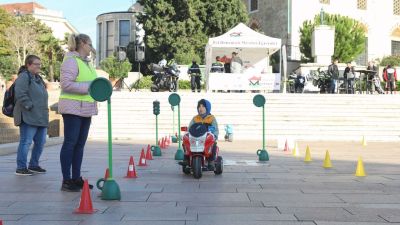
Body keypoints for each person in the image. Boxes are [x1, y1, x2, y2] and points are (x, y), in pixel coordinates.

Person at [58, 33, 97, 192]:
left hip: (86, 108)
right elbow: (66, 84)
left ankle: (76, 178)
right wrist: (89, 86)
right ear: (81, 44)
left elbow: (93, 86)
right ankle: (66, 180)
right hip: (72, 108)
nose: (91, 48)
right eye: (89, 45)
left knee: (79, 145)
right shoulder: (71, 61)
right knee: (70, 143)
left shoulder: (87, 63)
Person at [14, 55, 48, 176]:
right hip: (29, 116)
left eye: (40, 64)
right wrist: (29, 105)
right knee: (26, 142)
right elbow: (20, 92)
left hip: (41, 117)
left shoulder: (38, 78)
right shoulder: (24, 76)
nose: (39, 66)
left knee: (41, 142)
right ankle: (21, 167)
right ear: (28, 65)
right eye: (36, 64)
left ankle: (33, 165)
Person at [188, 99, 219, 169]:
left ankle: (211, 160)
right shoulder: (195, 118)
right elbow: (189, 128)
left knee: (213, 145)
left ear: (207, 108)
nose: (201, 108)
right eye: (199, 106)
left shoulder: (211, 118)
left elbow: (215, 129)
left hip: (207, 139)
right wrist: (188, 133)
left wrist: (215, 135)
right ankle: (187, 159)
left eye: (203, 106)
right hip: (196, 138)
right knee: (186, 144)